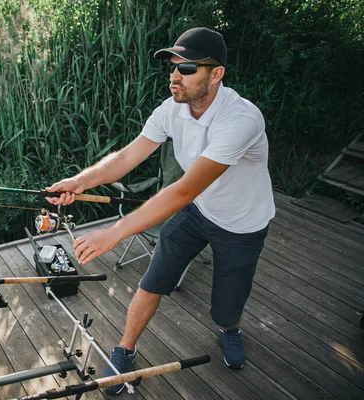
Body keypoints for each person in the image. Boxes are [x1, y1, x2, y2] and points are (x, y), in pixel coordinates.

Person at [45, 27, 275, 394]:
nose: (174, 76)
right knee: (152, 280)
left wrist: (115, 231)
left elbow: (183, 190)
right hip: (199, 211)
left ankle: (230, 329)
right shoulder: (173, 108)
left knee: (226, 306)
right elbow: (127, 157)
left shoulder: (241, 119)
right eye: (172, 67)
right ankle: (125, 349)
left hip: (241, 224)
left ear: (216, 74)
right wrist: (79, 181)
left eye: (187, 69)